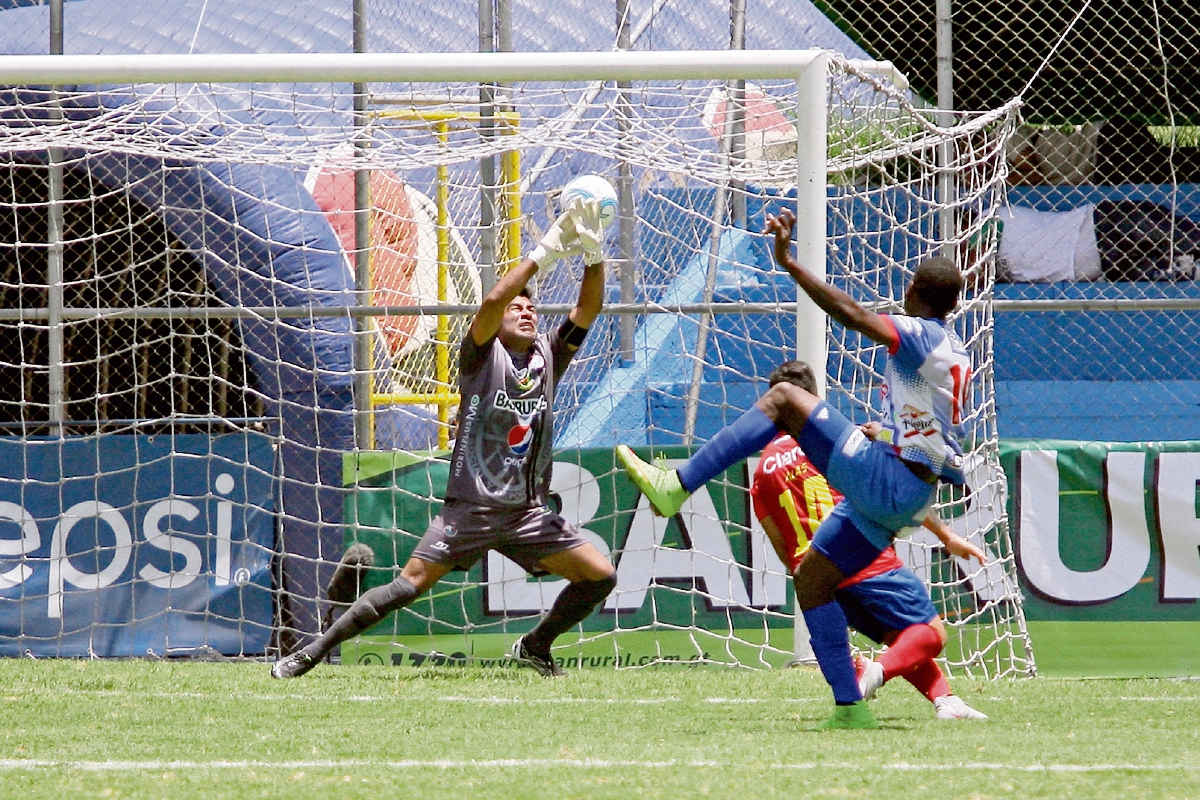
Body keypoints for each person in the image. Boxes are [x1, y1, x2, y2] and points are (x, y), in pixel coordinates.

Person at [618, 207, 971, 729]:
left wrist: (789, 262)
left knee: (784, 397)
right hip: (906, 493)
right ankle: (851, 710)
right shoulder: (952, 347)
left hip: (890, 481)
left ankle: (677, 484)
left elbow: (852, 314)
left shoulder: (920, 335)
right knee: (812, 581)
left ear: (915, 289)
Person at [272, 198, 617, 679]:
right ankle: (311, 652)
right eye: (517, 307)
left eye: (531, 306)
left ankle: (536, 646)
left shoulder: (548, 357)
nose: (526, 311)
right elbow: (493, 301)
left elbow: (589, 308)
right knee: (409, 584)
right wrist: (542, 252)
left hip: (525, 511)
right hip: (471, 507)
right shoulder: (480, 355)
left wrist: (594, 254)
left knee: (601, 576)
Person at [752, 360, 988, 721]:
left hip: (817, 571)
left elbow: (777, 536)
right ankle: (873, 674)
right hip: (863, 557)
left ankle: (946, 701)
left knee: (898, 636)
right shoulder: (836, 447)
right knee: (929, 632)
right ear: (814, 398)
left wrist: (811, 580)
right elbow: (885, 493)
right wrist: (945, 534)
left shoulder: (763, 468)